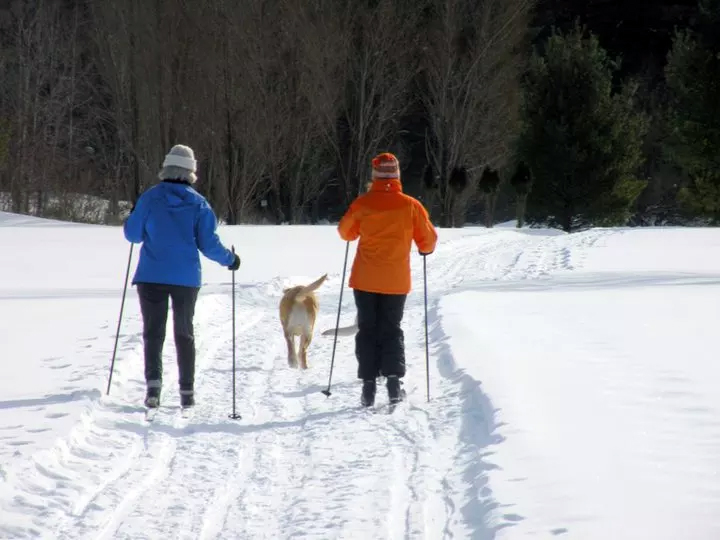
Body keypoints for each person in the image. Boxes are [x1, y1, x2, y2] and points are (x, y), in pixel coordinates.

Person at [123, 144, 240, 409]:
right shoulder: (198, 203)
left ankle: (153, 388)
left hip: (151, 276)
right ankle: (187, 392)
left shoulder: (150, 198)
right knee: (184, 333)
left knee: (153, 332)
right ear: (191, 173)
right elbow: (208, 245)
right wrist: (231, 260)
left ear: (166, 169)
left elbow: (133, 235)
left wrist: (131, 219)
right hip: (186, 279)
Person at [337, 152, 438, 406]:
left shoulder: (363, 203)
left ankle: (368, 388)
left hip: (365, 280)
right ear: (397, 176)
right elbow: (429, 240)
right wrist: (424, 249)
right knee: (391, 329)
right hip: (395, 281)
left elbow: (345, 232)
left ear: (375, 176)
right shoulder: (411, 205)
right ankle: (394, 384)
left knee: (368, 329)